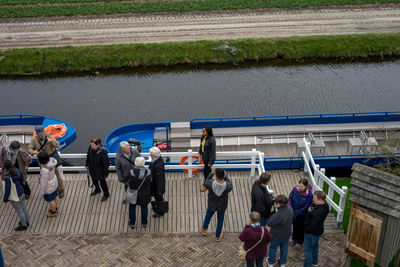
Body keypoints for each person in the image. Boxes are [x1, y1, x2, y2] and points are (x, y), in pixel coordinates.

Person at [28, 126, 65, 198]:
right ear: (37, 134)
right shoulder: (34, 139)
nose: (43, 135)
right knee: (44, 174)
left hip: (50, 158)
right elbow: (30, 148)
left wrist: (51, 141)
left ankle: (61, 189)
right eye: (41, 134)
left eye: (43, 133)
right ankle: (48, 189)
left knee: (56, 173)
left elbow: (57, 145)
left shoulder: (49, 136)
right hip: (41, 160)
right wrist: (33, 152)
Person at [200, 168, 232, 241]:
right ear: (223, 175)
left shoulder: (210, 183)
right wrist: (226, 176)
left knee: (208, 216)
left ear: (216, 176)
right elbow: (229, 183)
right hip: (222, 205)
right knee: (220, 220)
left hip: (212, 203)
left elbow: (206, 182)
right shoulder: (228, 186)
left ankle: (204, 230)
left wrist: (211, 173)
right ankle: (217, 236)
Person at [124, 157, 152, 229]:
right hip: (144, 194)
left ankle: (132, 223)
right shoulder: (148, 172)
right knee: (144, 208)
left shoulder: (131, 172)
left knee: (132, 208)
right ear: (143, 163)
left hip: (133, 193)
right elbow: (151, 181)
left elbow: (126, 181)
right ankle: (144, 223)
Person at [303, 191, 330, 267]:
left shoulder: (317, 213)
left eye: (314, 199)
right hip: (318, 232)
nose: (312, 200)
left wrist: (309, 212)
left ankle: (308, 265)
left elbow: (312, 226)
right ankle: (315, 262)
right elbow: (314, 204)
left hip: (311, 234)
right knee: (315, 247)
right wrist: (312, 207)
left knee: (308, 251)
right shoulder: (325, 205)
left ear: (320, 200)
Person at [2, 160, 30, 231]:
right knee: (23, 207)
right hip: (21, 192)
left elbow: (7, 190)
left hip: (15, 196)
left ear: (5, 168)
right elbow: (22, 180)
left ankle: (24, 225)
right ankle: (26, 221)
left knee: (19, 211)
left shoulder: (8, 178)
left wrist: (5, 199)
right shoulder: (18, 171)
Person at [267, 195, 293, 267]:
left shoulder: (278, 215)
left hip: (276, 236)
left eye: (275, 202)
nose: (274, 203)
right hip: (287, 234)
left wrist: (272, 215)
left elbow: (269, 223)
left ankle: (271, 262)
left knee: (273, 249)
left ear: (279, 204)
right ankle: (282, 263)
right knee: (284, 249)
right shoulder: (290, 209)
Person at [289, 178, 313, 248]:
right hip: (293, 212)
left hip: (302, 215)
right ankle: (294, 237)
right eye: (299, 186)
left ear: (306, 186)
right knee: (295, 225)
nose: (300, 188)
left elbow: (307, 206)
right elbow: (290, 198)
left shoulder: (309, 195)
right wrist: (291, 208)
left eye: (302, 186)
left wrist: (297, 212)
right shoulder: (294, 190)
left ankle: (300, 241)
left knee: (300, 228)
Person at [85, 137, 110, 201]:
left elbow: (106, 164)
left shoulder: (103, 152)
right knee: (94, 180)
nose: (91, 146)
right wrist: (87, 164)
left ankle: (106, 194)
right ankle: (97, 189)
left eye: (93, 145)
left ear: (98, 144)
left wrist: (105, 173)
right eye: (91, 144)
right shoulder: (90, 148)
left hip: (100, 171)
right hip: (92, 169)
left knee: (103, 183)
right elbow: (88, 156)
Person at [38, 151, 59, 217]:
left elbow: (44, 182)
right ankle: (55, 207)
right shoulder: (52, 162)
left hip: (49, 186)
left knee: (51, 200)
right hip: (54, 181)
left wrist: (43, 191)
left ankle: (53, 212)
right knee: (56, 195)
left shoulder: (44, 170)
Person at [149, 147, 166, 217]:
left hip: (156, 186)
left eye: (151, 154)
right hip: (155, 184)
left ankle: (160, 212)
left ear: (154, 155)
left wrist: (159, 190)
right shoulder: (158, 159)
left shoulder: (158, 166)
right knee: (159, 198)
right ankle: (160, 210)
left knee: (159, 198)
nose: (150, 155)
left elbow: (159, 179)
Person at [199, 126, 216, 192]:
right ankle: (208, 183)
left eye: (203, 131)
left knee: (206, 172)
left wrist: (211, 162)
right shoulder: (203, 137)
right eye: (202, 131)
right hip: (204, 157)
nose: (202, 132)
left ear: (208, 132)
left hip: (208, 158)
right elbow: (201, 145)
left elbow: (213, 152)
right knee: (207, 172)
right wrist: (200, 153)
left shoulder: (212, 139)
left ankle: (205, 185)